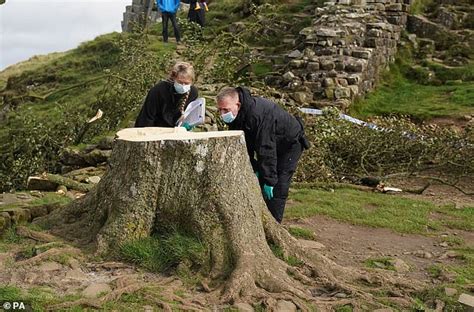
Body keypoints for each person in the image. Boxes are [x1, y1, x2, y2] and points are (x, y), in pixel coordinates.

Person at [216, 87, 309, 223]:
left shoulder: (257, 114)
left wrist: (269, 179)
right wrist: (255, 168)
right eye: (220, 110)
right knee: (260, 178)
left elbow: (266, 147)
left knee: (278, 185)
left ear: (238, 105)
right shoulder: (237, 116)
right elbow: (243, 145)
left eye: (226, 110)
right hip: (271, 142)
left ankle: (274, 224)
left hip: (290, 144)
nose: (222, 114)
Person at [135, 61, 198, 129]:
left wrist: (188, 124)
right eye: (180, 82)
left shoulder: (193, 93)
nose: (183, 86)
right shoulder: (158, 90)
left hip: (175, 130)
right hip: (154, 127)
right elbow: (147, 117)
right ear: (174, 78)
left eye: (186, 83)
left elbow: (189, 114)